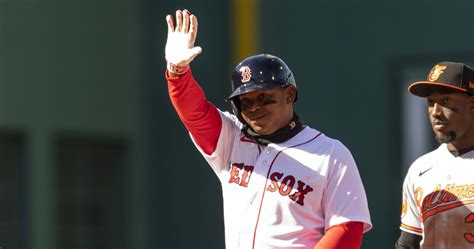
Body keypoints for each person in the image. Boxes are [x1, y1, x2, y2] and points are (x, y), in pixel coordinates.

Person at [165, 9, 372, 249]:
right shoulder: (231, 139)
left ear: (289, 94)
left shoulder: (330, 154)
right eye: (246, 101)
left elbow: (347, 228)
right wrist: (177, 73)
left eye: (264, 97)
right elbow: (195, 112)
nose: (255, 107)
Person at [395, 61, 474, 249]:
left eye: (446, 101)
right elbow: (408, 243)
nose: (435, 112)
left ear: (472, 103)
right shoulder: (421, 169)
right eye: (431, 103)